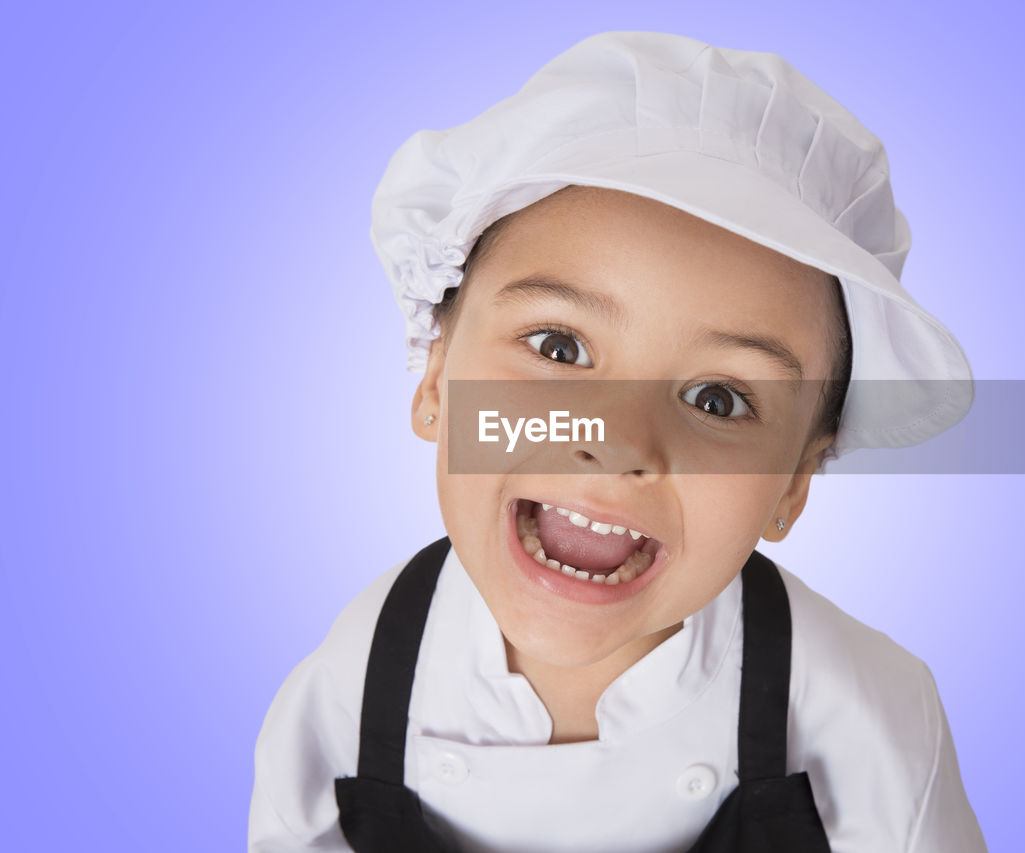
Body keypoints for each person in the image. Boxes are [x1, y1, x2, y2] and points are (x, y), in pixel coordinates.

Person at [249, 31, 986, 852]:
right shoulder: (352, 686)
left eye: (719, 398)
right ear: (435, 379)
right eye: (559, 347)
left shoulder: (869, 717)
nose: (614, 439)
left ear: (792, 487)